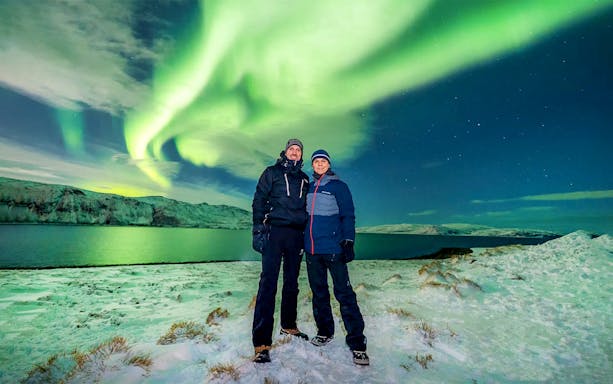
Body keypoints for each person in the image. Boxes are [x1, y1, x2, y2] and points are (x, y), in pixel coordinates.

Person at [304, 149, 369, 366]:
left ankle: (357, 343)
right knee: (319, 293)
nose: (320, 164)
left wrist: (349, 241)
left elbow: (348, 214)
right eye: (316, 161)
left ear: (328, 164)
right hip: (312, 251)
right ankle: (324, 331)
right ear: (312, 165)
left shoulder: (339, 186)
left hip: (333, 248)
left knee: (344, 294)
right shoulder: (309, 187)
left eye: (323, 161)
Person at [251, 138, 311, 363]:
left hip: (296, 235)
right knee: (268, 283)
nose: (295, 152)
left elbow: (309, 207)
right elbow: (259, 200)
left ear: (300, 155)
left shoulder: (305, 179)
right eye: (291, 149)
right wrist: (258, 230)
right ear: (285, 152)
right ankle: (261, 343)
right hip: (274, 232)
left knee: (292, 283)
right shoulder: (272, 172)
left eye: (298, 150)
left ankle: (288, 325)